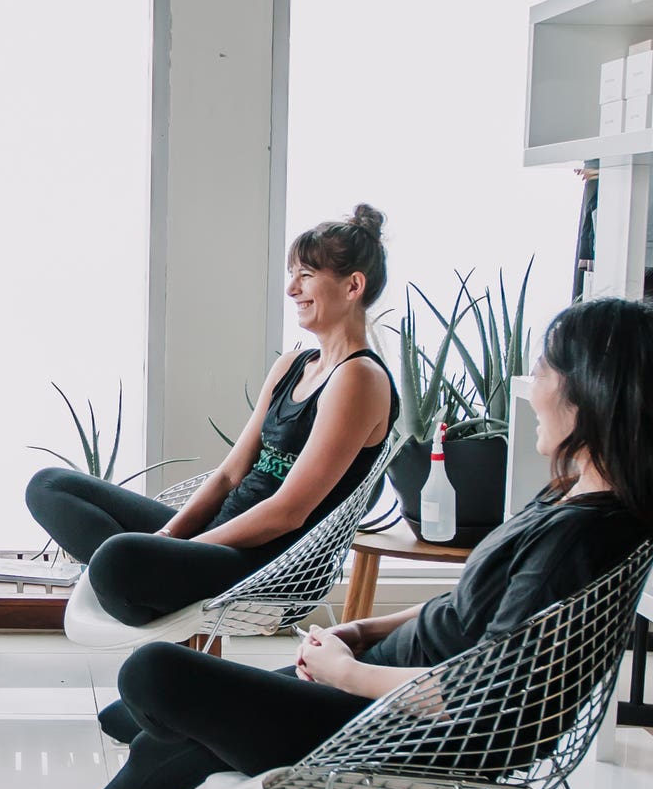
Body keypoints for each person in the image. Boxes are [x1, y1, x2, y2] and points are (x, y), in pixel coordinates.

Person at [0, 294, 653, 789]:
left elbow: (480, 697)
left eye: (546, 371)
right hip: (378, 683)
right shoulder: (581, 503)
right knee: (165, 734)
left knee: (151, 678)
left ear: (595, 394)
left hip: (401, 724)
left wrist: (347, 673)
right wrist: (360, 633)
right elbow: (469, 613)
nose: (532, 387)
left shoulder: (584, 534)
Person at [26, 205, 397, 643]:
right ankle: (151, 582)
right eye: (292, 274)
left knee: (113, 561)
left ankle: (144, 580)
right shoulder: (294, 364)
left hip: (265, 561)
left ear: (354, 285)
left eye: (307, 276)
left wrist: (183, 549)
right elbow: (229, 474)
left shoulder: (359, 379)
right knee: (48, 486)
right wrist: (171, 535)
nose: (292, 288)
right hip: (219, 533)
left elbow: (288, 512)